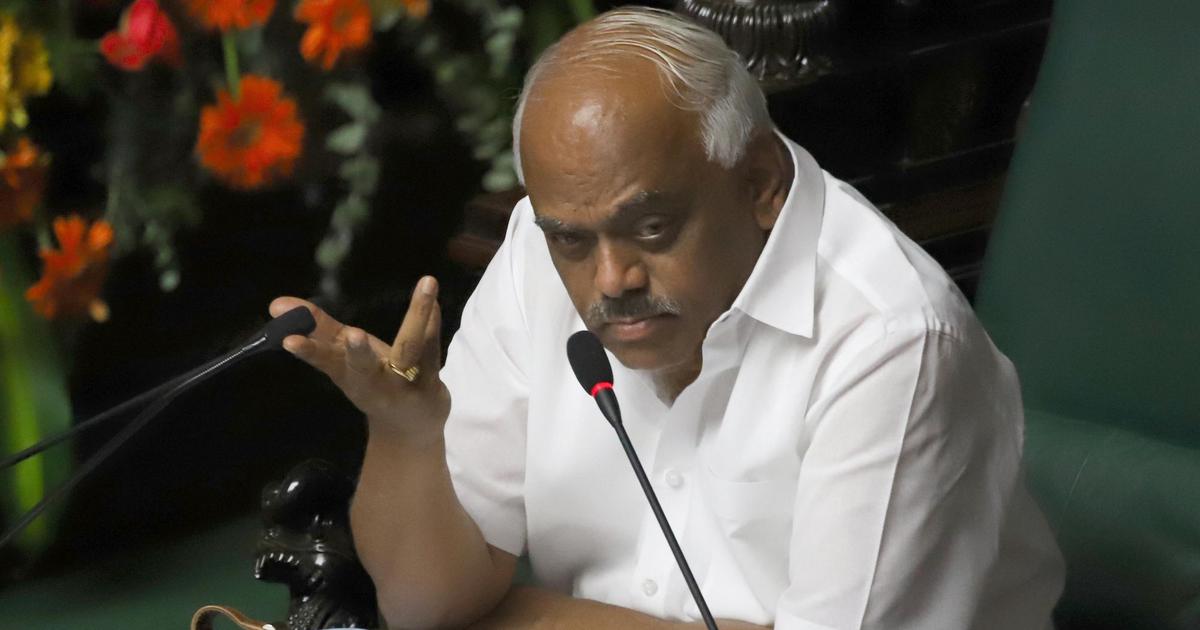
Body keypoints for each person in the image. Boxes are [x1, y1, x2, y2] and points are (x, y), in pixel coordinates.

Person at [269, 7, 1064, 629]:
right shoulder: (539, 251)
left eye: (652, 228)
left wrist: (523, 616)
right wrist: (406, 433)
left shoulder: (893, 342)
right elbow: (427, 609)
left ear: (759, 182)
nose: (611, 279)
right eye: (572, 240)